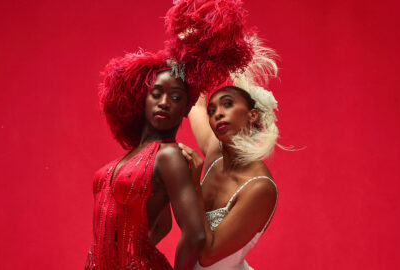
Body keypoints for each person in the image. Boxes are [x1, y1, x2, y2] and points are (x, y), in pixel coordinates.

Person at [85, 0, 255, 269]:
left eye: (176, 97)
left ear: (185, 108)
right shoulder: (134, 156)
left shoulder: (169, 156)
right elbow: (161, 224)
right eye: (157, 94)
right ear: (143, 99)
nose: (165, 102)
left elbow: (196, 235)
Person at [178, 37, 283, 269]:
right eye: (213, 109)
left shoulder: (259, 187)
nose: (217, 114)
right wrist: (192, 47)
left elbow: (207, 256)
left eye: (227, 104)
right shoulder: (216, 153)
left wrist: (194, 185)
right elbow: (195, 102)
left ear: (252, 115)